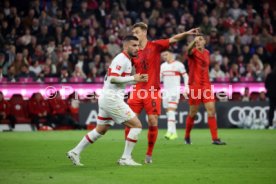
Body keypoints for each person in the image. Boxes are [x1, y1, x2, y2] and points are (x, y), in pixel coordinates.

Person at [67, 35, 148, 166]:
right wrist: (133, 77)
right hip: (112, 99)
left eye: (138, 45)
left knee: (101, 130)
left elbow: (119, 81)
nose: (137, 48)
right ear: (126, 46)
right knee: (137, 125)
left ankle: (74, 152)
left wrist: (135, 80)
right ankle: (125, 158)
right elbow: (113, 79)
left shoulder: (126, 60)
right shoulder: (121, 59)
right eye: (134, 45)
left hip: (107, 98)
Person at [126, 22, 200, 163]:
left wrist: (186, 33)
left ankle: (149, 155)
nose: (134, 35)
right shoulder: (133, 52)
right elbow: (126, 69)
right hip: (136, 90)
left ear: (144, 32)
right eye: (133, 33)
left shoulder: (155, 46)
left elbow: (173, 39)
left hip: (153, 91)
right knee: (129, 122)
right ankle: (126, 155)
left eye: (136, 32)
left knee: (153, 121)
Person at [184, 35, 226, 145]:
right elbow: (188, 49)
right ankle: (187, 136)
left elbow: (206, 68)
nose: (198, 42)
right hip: (195, 85)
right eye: (196, 40)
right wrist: (194, 41)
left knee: (211, 110)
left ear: (205, 42)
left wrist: (208, 80)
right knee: (193, 113)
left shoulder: (207, 53)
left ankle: (215, 139)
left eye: (200, 40)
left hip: (206, 85)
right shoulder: (192, 52)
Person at [160, 51, 189, 140]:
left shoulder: (178, 65)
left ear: (172, 54)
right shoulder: (163, 66)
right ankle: (174, 133)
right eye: (163, 55)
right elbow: (160, 78)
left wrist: (186, 87)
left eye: (166, 54)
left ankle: (169, 131)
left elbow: (185, 76)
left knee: (171, 110)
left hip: (174, 91)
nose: (165, 56)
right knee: (168, 112)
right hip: (166, 91)